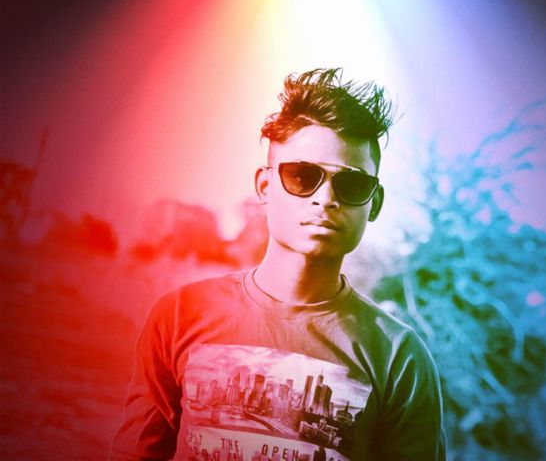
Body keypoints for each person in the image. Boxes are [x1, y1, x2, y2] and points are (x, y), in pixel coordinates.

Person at [110, 68, 446, 461]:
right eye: (303, 176)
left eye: (352, 184)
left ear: (374, 203)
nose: (325, 199)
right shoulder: (178, 317)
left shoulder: (399, 357)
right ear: (265, 186)